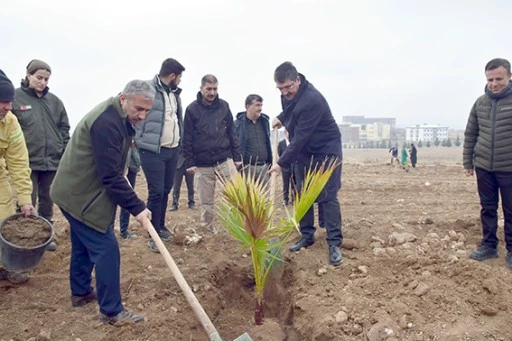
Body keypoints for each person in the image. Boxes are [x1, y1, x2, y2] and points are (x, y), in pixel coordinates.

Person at [50, 80, 153, 325]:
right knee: (106, 248)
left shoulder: (120, 118)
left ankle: (81, 292)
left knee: (83, 243)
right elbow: (110, 176)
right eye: (139, 109)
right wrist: (137, 208)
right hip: (79, 195)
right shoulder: (107, 123)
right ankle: (111, 311)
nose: (142, 115)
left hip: (78, 191)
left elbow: (113, 167)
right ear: (123, 99)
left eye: (147, 111)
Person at [269, 62, 343, 266]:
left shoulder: (312, 100)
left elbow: (300, 137)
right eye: (280, 89)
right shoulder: (289, 95)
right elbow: (292, 112)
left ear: (298, 80)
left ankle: (334, 243)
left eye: (288, 87)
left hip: (325, 150)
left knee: (327, 195)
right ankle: (307, 235)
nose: (284, 92)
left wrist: (281, 163)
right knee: (303, 193)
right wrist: (282, 118)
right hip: (305, 152)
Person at [12, 59, 70, 252]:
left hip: (51, 161)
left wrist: (61, 147)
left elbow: (64, 127)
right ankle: (24, 238)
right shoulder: (15, 98)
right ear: (28, 75)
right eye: (39, 77)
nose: (43, 82)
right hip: (26, 161)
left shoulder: (54, 101)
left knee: (47, 199)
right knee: (27, 200)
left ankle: (45, 236)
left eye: (46, 79)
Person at [463, 58, 512, 269]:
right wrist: (468, 162)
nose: (494, 83)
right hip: (484, 167)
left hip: (509, 168)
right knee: (488, 208)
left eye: (499, 78)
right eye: (490, 79)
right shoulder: (480, 103)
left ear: (509, 76)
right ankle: (489, 245)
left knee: (510, 210)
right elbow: (471, 133)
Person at [135, 58, 185, 252]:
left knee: (166, 189)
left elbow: (176, 119)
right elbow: (134, 111)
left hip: (172, 149)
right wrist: (137, 137)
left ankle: (160, 225)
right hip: (152, 150)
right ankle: (152, 234)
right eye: (179, 77)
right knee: (155, 191)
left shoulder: (175, 94)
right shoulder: (147, 88)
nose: (180, 81)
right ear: (172, 76)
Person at [182, 74, 242, 234]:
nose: (212, 92)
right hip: (202, 163)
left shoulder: (224, 106)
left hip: (224, 159)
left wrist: (237, 157)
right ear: (201, 89)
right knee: (206, 201)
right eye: (208, 89)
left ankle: (238, 227)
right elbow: (186, 137)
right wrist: (189, 162)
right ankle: (208, 229)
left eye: (215, 88)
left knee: (236, 195)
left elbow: (232, 132)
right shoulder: (191, 110)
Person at [0, 70, 37, 284]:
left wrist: (25, 199)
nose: (8, 107)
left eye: (10, 102)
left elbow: (19, 162)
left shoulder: (10, 122)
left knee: (4, 220)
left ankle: (4, 266)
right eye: (3, 102)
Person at [234, 94, 272, 185]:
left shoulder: (265, 122)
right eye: (257, 105)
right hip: (247, 168)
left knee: (265, 198)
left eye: (261, 105)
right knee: (248, 198)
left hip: (264, 168)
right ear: (248, 106)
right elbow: (234, 145)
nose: (260, 108)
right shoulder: (237, 124)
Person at [118, 143, 141, 239]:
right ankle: (108, 229)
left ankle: (124, 231)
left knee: (127, 195)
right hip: (119, 164)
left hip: (132, 165)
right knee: (110, 198)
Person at [278, 129, 295, 205]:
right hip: (285, 167)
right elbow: (280, 154)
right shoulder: (281, 143)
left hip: (294, 166)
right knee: (285, 183)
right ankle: (285, 199)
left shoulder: (294, 143)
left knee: (294, 182)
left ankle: (294, 198)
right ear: (285, 133)